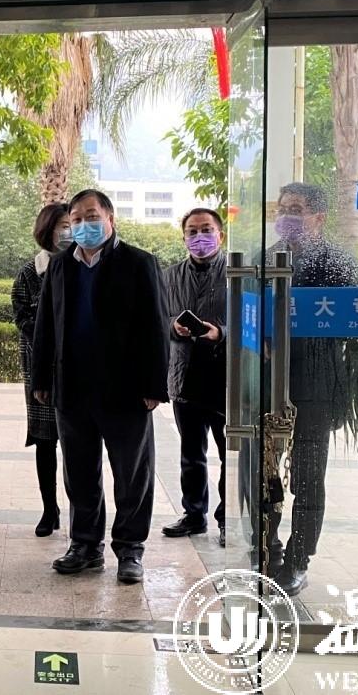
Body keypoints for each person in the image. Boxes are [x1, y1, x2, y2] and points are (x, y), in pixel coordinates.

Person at [31, 189, 170, 584]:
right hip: (72, 388)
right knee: (79, 472)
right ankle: (85, 545)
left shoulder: (139, 262)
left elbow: (156, 326)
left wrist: (154, 385)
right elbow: (46, 323)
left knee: (132, 474)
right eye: (76, 219)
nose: (83, 225)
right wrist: (41, 378)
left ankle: (130, 549)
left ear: (110, 218)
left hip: (126, 390)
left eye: (91, 216)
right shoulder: (60, 264)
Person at [265, 182, 358, 596]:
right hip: (268, 383)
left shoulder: (337, 263)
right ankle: (267, 548)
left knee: (307, 477)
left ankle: (298, 558)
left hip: (316, 383)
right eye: (282, 208)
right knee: (263, 473)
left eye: (296, 209)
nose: (286, 215)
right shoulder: (266, 259)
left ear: (318, 218)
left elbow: (354, 322)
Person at [163, 208, 230, 549]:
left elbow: (253, 319)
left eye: (206, 229)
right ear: (184, 237)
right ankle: (194, 514)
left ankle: (227, 518)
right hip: (184, 374)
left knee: (229, 454)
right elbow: (157, 317)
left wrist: (221, 333)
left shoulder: (238, 273)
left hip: (224, 377)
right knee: (191, 453)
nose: (199, 236)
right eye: (192, 231)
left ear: (221, 235)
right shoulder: (170, 276)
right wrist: (173, 326)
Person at [11, 203, 73, 537]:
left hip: (78, 367)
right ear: (47, 230)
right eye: (62, 225)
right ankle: (50, 509)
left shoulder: (84, 265)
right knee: (45, 441)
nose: (68, 231)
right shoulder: (29, 273)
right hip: (41, 367)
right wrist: (51, 332)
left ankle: (81, 511)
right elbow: (21, 316)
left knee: (78, 443)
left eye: (71, 224)